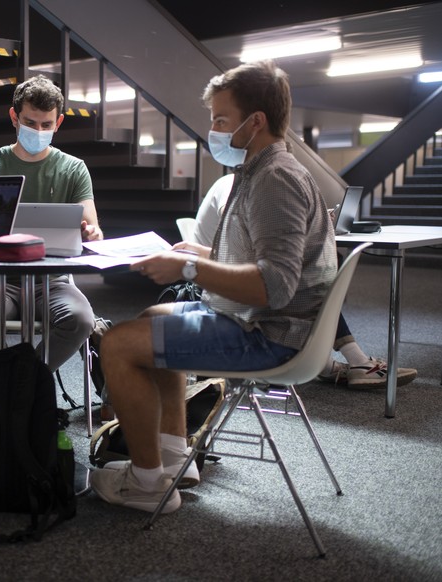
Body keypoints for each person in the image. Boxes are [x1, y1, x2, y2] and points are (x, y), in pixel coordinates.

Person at [90, 60, 338, 515]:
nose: (214, 130)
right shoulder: (260, 171)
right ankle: (173, 457)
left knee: (118, 345)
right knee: (152, 320)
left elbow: (274, 285)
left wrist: (188, 270)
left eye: (221, 120)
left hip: (267, 335)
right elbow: (259, 261)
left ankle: (146, 484)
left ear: (255, 121)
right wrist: (198, 255)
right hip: (258, 322)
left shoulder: (274, 180)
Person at [195, 172, 417, 389]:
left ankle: (335, 364)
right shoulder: (232, 185)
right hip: (220, 287)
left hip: (238, 278)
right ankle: (347, 363)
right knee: (306, 282)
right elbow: (242, 233)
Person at [0, 75, 103, 371]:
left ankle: (25, 383)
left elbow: (93, 232)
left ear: (58, 123)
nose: (39, 131)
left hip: (52, 280)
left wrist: (91, 233)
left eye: (46, 125)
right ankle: (4, 382)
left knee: (81, 321)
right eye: (30, 123)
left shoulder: (73, 169)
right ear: (14, 117)